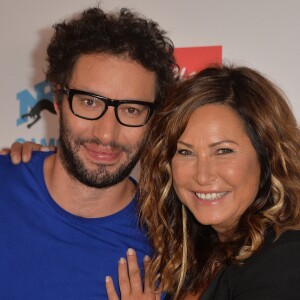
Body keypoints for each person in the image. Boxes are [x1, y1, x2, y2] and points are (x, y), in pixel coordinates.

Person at [0, 6, 176, 299]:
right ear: (58, 100)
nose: (106, 134)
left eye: (131, 110)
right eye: (89, 103)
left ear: (154, 120)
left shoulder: (166, 242)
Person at [103, 64, 300, 299]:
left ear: (267, 156)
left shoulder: (285, 260)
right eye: (186, 152)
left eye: (224, 151)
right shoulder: (199, 254)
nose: (202, 176)